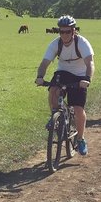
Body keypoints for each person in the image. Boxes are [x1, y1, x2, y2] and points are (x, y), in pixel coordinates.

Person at [36, 15, 95, 156]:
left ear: (73, 31)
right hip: (63, 72)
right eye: (61, 31)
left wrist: (87, 79)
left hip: (80, 75)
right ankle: (55, 117)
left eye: (67, 31)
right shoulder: (56, 44)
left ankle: (80, 139)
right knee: (53, 90)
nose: (64, 35)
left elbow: (90, 63)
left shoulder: (82, 43)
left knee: (78, 109)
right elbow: (45, 63)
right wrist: (40, 76)